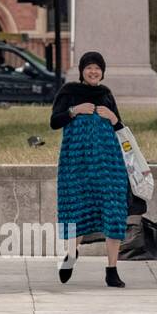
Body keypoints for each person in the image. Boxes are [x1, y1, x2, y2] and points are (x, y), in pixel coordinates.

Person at [50, 52, 131, 288]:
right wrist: (74, 111)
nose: (93, 72)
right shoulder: (69, 92)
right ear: (82, 71)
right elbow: (54, 122)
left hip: (109, 163)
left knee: (113, 211)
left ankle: (112, 269)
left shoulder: (106, 94)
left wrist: (114, 118)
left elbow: (120, 129)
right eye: (89, 68)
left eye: (98, 68)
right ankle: (72, 255)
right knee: (76, 206)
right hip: (77, 162)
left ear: (103, 72)